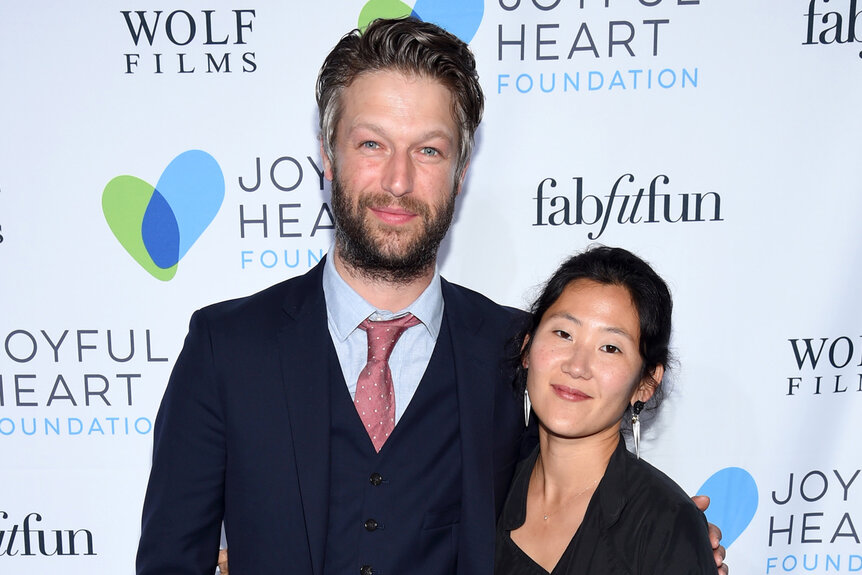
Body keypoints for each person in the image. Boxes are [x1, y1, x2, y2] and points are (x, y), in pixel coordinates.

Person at [136, 18, 726, 575]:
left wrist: (672, 542)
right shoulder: (227, 348)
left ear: (461, 170)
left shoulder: (519, 351)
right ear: (328, 155)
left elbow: (573, 499)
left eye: (429, 150)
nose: (398, 180)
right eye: (372, 144)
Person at [496, 246, 717, 574]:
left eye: (610, 348)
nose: (577, 366)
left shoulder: (665, 524)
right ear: (527, 348)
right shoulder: (487, 490)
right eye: (564, 333)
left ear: (646, 382)